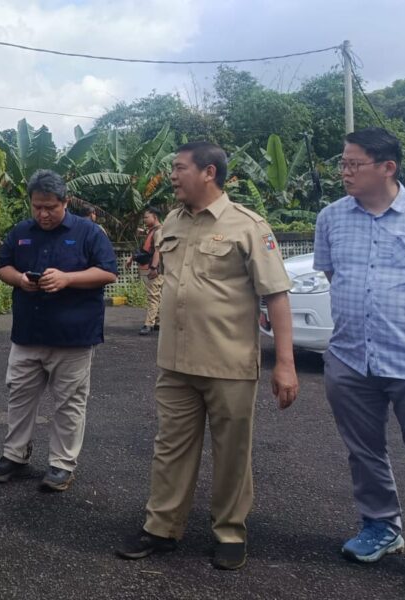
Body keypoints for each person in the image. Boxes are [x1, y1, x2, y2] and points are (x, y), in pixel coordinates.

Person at [115, 142, 299, 571]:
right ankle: (161, 527)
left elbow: (276, 295)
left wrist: (286, 363)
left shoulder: (248, 226)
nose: (172, 175)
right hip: (175, 363)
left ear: (208, 172)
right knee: (169, 449)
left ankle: (230, 532)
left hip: (228, 363)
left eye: (180, 168)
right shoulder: (172, 222)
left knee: (232, 452)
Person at [313, 128, 405, 593]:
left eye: (353, 164)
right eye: (343, 163)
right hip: (352, 358)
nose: (344, 172)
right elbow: (333, 274)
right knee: (364, 451)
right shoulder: (331, 217)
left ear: (387, 167)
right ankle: (381, 526)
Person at [0, 169, 118, 492]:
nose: (43, 214)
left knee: (69, 402)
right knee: (19, 395)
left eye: (50, 207)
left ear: (65, 202)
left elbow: (108, 272)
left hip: (73, 336)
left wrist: (67, 279)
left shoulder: (88, 232)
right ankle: (15, 455)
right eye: (37, 207)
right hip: (28, 333)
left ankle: (62, 464)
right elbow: (3, 266)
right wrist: (19, 279)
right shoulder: (21, 231)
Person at [124, 206, 164, 335]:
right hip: (148, 267)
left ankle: (149, 324)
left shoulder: (158, 232)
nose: (144, 220)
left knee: (153, 297)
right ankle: (158, 322)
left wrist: (154, 268)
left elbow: (158, 251)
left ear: (155, 217)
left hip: (152, 269)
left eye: (146, 217)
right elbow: (146, 249)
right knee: (156, 296)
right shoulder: (152, 231)